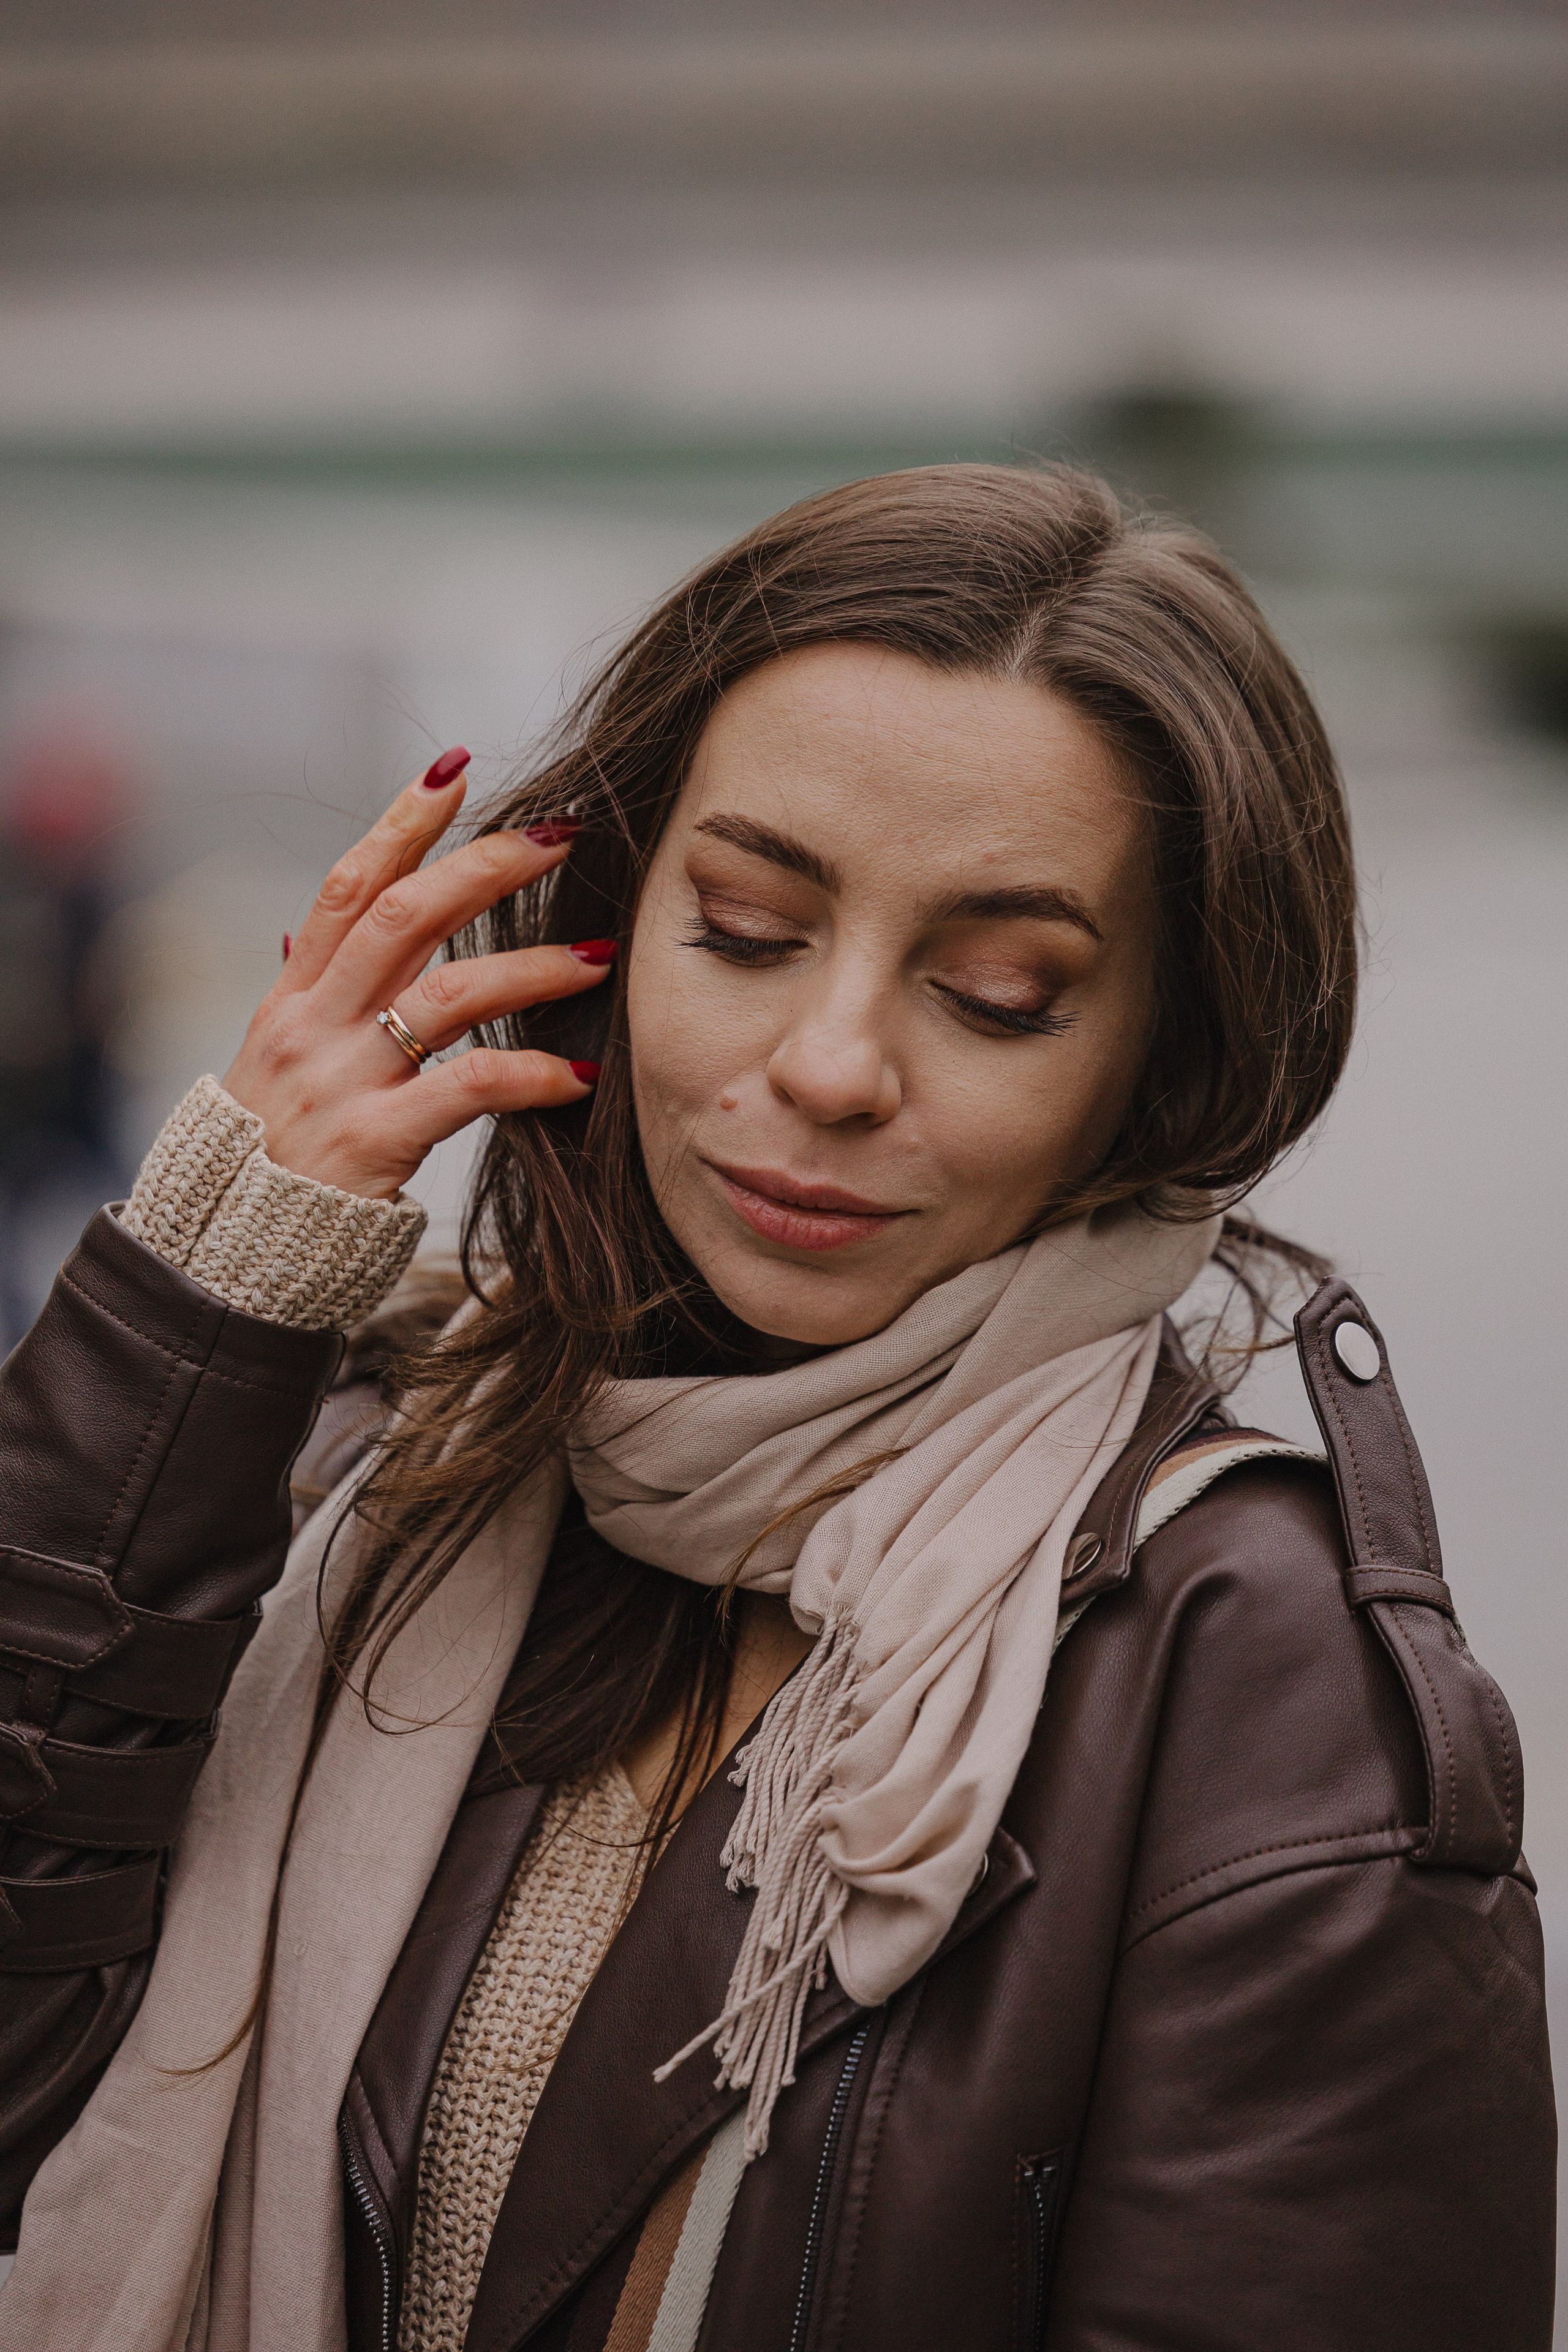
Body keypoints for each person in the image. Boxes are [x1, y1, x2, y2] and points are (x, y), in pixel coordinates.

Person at [0, 466, 1553, 2352]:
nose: (829, 1066)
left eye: (1000, 993)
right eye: (744, 928)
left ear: (1161, 1061)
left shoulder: (1271, 1700)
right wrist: (204, 1302)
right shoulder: (384, 1458)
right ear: (610, 921)